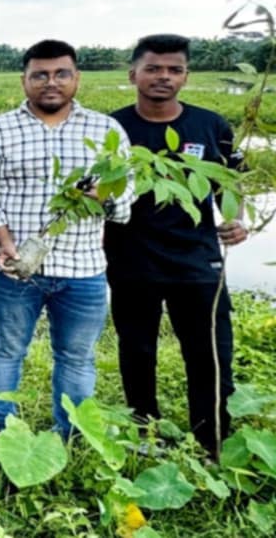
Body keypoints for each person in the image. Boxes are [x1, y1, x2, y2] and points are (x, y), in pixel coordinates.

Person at [0, 39, 133, 438]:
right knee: (6, 349)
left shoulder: (106, 130)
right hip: (15, 269)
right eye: (39, 75)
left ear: (76, 78)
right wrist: (4, 241)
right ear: (24, 80)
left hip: (83, 268)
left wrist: (105, 197)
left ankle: (70, 432)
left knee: (77, 357)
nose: (50, 83)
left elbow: (127, 194)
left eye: (61, 74)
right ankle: (0, 426)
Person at [104, 34, 247, 455]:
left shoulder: (212, 126)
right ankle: (143, 432)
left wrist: (236, 221)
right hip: (130, 259)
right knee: (137, 351)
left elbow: (229, 185)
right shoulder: (112, 128)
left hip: (197, 262)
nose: (163, 77)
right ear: (133, 74)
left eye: (174, 70)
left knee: (209, 355)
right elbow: (94, 188)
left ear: (186, 76)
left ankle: (212, 442)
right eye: (153, 68)